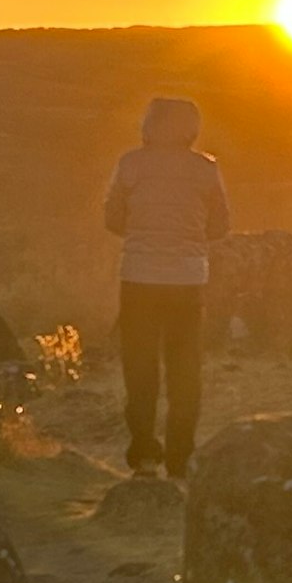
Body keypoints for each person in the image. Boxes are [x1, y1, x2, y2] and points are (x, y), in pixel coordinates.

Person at [101, 94, 229, 475]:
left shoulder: (130, 164)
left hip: (138, 276)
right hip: (188, 279)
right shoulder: (206, 168)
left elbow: (112, 218)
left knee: (139, 368)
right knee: (184, 371)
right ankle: (181, 457)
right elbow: (221, 225)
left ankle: (142, 451)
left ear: (149, 126)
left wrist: (142, 233)